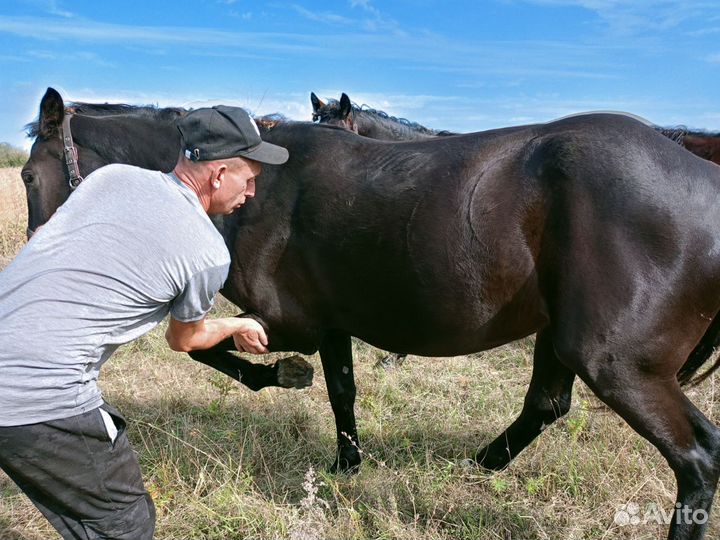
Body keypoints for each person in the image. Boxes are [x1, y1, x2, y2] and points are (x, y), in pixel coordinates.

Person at [0, 105, 289, 539]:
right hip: (39, 396)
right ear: (218, 175)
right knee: (124, 525)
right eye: (248, 179)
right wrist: (237, 325)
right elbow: (185, 340)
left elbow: (49, 239)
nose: (251, 192)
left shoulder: (110, 179)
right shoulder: (207, 253)